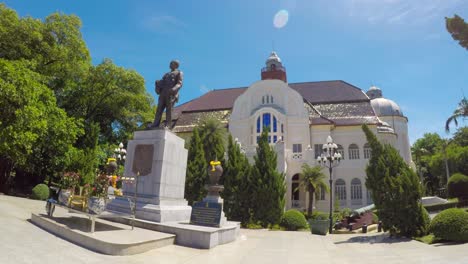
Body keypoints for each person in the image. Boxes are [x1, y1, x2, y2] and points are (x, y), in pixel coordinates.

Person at [151, 60, 183, 129]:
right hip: (163, 93)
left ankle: (168, 125)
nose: (170, 64)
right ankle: (155, 124)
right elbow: (162, 82)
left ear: (176, 65)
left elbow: (179, 83)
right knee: (159, 108)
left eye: (172, 63)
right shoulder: (166, 74)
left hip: (171, 93)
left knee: (169, 109)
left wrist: (174, 89)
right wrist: (158, 83)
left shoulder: (179, 72)